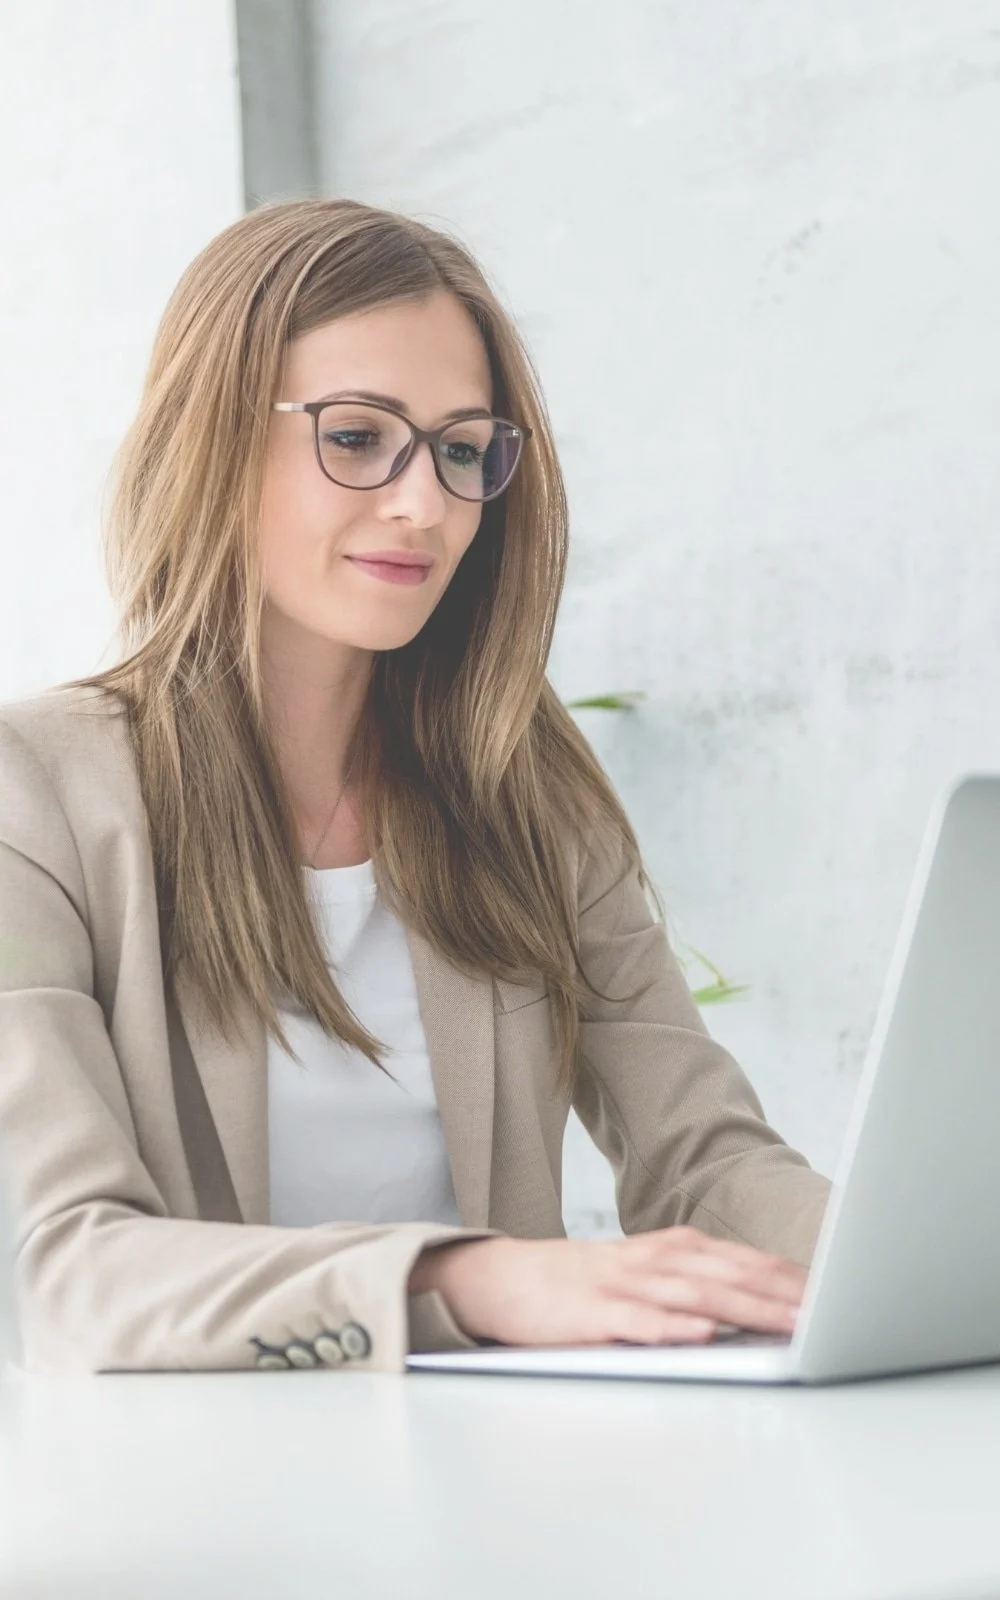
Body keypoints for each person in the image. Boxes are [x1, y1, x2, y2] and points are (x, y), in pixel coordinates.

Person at [0, 198, 831, 1374]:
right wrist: (463, 1276)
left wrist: (885, 1259)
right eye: (354, 436)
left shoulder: (517, 786)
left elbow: (705, 1160)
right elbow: (76, 1272)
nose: (423, 503)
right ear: (211, 435)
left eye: (458, 447)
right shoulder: (31, 797)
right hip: (190, 1519)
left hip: (494, 1490)